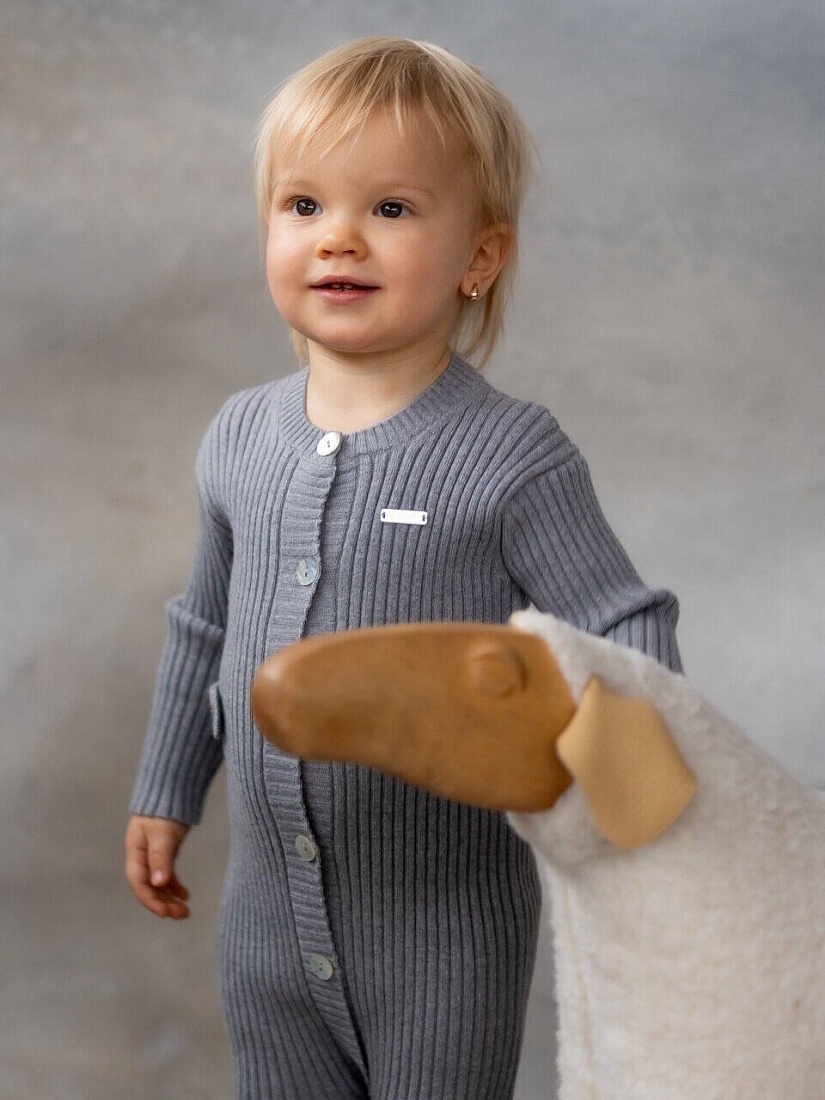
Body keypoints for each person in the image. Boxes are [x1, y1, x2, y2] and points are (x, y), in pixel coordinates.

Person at [124, 35, 684, 1100]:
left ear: (480, 255)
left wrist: (638, 820)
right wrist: (166, 790)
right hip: (264, 930)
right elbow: (203, 625)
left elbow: (625, 622)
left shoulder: (511, 455)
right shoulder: (239, 435)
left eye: (389, 208)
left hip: (444, 937)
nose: (338, 237)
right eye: (303, 205)